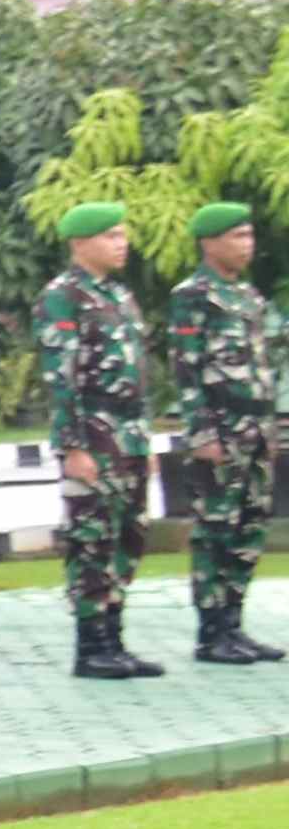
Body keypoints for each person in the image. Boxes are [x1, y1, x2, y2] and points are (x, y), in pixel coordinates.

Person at [38, 202, 161, 680]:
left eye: (123, 235)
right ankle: (91, 646)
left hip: (128, 435)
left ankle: (115, 638)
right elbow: (61, 378)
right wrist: (73, 446)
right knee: (91, 538)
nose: (121, 243)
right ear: (79, 243)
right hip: (93, 433)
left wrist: (144, 440)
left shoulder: (120, 296)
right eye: (110, 236)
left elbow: (140, 377)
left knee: (129, 536)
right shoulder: (62, 298)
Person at [170, 201, 281, 664]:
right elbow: (186, 369)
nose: (247, 245)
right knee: (215, 530)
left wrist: (271, 426)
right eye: (237, 237)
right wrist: (201, 433)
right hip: (220, 430)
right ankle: (210, 631)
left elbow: (261, 366)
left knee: (249, 528)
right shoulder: (193, 295)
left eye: (249, 235)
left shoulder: (248, 297)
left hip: (254, 429)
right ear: (209, 243)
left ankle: (235, 624)